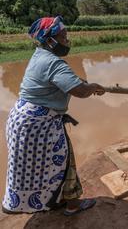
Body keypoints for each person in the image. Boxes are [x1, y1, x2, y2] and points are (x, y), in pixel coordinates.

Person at [2, 16, 105, 216]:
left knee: (31, 167)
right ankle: (73, 205)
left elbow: (66, 81)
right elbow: (81, 92)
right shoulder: (54, 63)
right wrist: (91, 87)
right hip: (39, 125)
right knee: (64, 161)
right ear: (50, 40)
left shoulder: (39, 55)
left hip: (22, 121)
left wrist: (81, 83)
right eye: (63, 36)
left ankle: (50, 201)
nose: (67, 40)